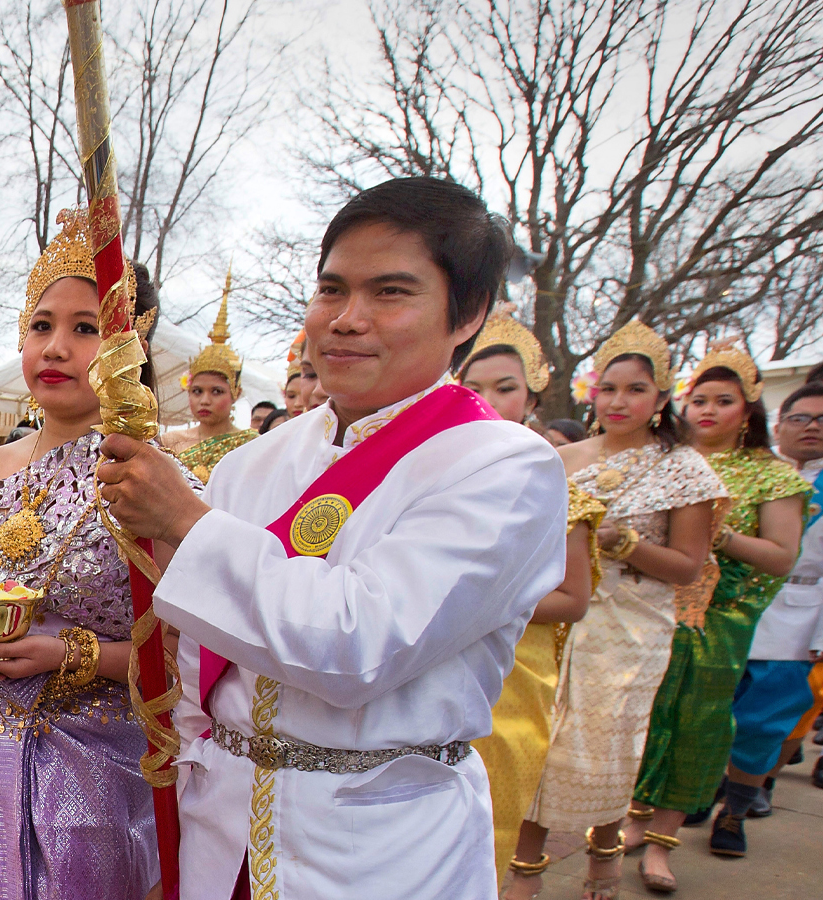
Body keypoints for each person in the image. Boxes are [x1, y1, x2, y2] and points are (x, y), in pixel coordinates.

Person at [94, 176, 566, 899]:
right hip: (219, 830)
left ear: (467, 313)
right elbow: (194, 664)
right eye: (332, 289)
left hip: (381, 845)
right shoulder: (254, 462)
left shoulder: (504, 468)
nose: (346, 319)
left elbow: (358, 645)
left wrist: (186, 524)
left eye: (391, 292)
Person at [0, 208, 189, 900]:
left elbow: (192, 654)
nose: (55, 348)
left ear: (128, 349)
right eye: (41, 325)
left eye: (87, 330)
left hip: (102, 782)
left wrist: (73, 656)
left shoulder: (154, 481)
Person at [528, 319, 728, 900]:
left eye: (636, 390)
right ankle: (524, 868)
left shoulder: (684, 469)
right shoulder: (565, 459)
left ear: (663, 399)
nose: (618, 401)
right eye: (608, 388)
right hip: (559, 612)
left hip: (629, 624)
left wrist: (622, 543)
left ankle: (604, 858)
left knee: (607, 741)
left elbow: (688, 567)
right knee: (540, 735)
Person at [624, 342, 805, 888]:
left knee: (694, 725)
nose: (705, 411)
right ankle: (631, 818)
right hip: (644, 608)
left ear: (748, 409)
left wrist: (713, 536)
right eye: (697, 399)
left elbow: (779, 555)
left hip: (716, 619)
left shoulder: (773, 476)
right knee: (639, 717)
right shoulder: (660, 462)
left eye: (722, 400)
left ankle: (663, 842)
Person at [455, 314, 604, 896]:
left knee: (487, 817)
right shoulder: (425, 477)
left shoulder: (557, 489)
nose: (488, 400)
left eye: (505, 387)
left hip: (513, 681)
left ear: (533, 397)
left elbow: (572, 599)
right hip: (424, 671)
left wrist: (465, 602)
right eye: (475, 387)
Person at [711, 383, 823, 856]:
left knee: (763, 726)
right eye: (801, 417)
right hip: (726, 611)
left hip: (795, 622)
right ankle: (696, 791)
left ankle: (736, 811)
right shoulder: (745, 470)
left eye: (822, 420)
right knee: (707, 715)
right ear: (778, 423)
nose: (812, 426)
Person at [160, 294, 257, 483]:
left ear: (236, 393)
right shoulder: (170, 442)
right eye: (197, 391)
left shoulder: (251, 444)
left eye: (216, 391)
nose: (204, 400)